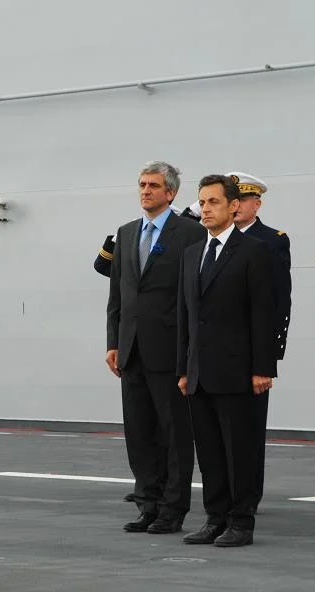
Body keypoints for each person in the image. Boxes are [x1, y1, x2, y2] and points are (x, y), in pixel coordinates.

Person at [177, 174, 276, 547]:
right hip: (200, 371)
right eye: (202, 202)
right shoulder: (192, 254)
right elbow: (186, 317)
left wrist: (263, 368)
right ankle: (215, 518)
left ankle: (241, 522)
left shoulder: (254, 251)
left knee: (240, 451)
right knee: (210, 452)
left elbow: (263, 313)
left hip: (238, 370)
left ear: (234, 206)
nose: (205, 209)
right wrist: (183, 369)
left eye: (213, 202)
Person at [106, 161, 205, 534]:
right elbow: (118, 293)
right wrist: (113, 342)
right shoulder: (127, 233)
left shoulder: (190, 233)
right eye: (142, 184)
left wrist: (190, 352)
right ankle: (147, 503)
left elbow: (195, 297)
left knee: (175, 434)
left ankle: (172, 509)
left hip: (170, 351)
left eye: (153, 185)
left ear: (171, 192)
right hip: (131, 350)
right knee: (140, 433)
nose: (145, 191)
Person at [226, 172, 291, 508]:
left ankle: (248, 496)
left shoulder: (271, 240)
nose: (237, 206)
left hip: (252, 350)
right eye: (232, 200)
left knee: (249, 428)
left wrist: (269, 355)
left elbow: (279, 301)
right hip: (217, 350)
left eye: (244, 200)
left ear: (257, 204)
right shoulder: (212, 240)